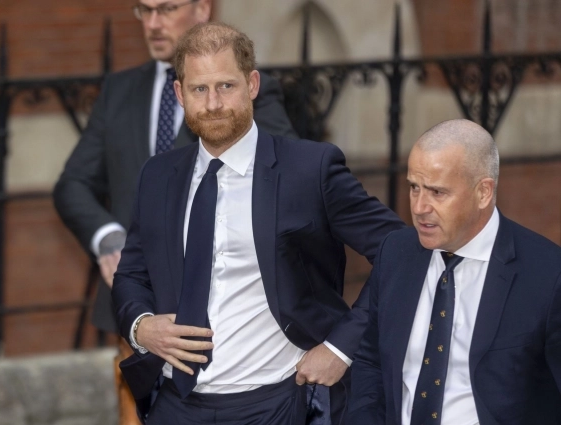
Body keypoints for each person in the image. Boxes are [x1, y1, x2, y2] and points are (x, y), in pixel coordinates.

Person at [111, 22, 405, 425]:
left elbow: (400, 249)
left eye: (226, 86)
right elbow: (131, 274)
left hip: (278, 402)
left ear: (252, 85)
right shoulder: (157, 175)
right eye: (199, 89)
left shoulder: (309, 169)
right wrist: (140, 327)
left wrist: (341, 347)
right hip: (174, 404)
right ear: (180, 94)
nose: (213, 103)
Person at [53, 1, 295, 422]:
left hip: (219, 313)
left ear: (202, 8)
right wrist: (109, 239)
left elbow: (287, 175)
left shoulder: (237, 92)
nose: (153, 24)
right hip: (133, 302)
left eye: (165, 8)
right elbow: (72, 184)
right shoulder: (119, 89)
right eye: (143, 10)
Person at [347, 119, 561, 425]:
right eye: (414, 187)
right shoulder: (395, 253)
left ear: (483, 192)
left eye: (437, 192)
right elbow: (371, 362)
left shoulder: (547, 275)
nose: (419, 207)